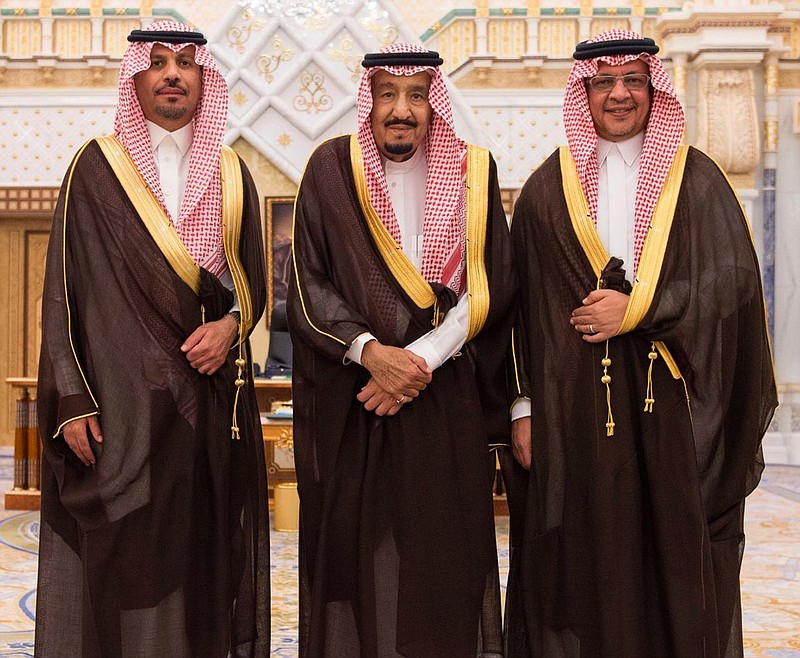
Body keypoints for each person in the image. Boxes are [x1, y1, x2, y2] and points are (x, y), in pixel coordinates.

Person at [503, 29, 778, 657]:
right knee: (582, 565)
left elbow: (730, 287)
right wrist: (523, 409)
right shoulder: (548, 190)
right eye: (604, 82)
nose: (619, 94)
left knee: (670, 563)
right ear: (585, 91)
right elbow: (518, 312)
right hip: (573, 420)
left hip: (671, 420)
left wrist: (644, 308)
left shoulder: (698, 182)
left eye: (633, 80)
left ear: (655, 90)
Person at [35, 21, 270, 657]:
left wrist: (228, 329)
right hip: (118, 413)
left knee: (199, 562)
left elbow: (253, 290)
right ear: (136, 76)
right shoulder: (95, 167)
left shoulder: (232, 174)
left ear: (204, 79)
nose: (172, 73)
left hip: (203, 409)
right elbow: (62, 292)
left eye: (186, 63)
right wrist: (74, 399)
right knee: (122, 562)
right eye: (158, 62)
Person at [288, 42, 516, 657]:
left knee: (442, 562)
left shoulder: (473, 171)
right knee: (355, 561)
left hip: (444, 405)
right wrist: (370, 353)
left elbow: (491, 282)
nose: (401, 109)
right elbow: (307, 283)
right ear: (369, 100)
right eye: (388, 93)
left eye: (417, 95)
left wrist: (420, 361)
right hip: (356, 399)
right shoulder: (330, 170)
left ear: (433, 103)